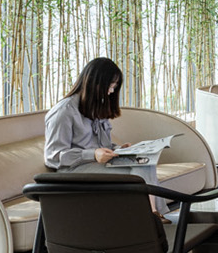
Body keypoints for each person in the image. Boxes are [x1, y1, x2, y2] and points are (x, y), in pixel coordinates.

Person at [44, 57, 162, 210]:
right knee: (137, 173)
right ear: (95, 83)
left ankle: (153, 216)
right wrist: (92, 155)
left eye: (114, 86)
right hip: (73, 172)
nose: (111, 91)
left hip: (98, 165)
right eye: (110, 86)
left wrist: (119, 150)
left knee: (144, 162)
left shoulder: (95, 107)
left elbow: (101, 146)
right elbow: (52, 157)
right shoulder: (63, 112)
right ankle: (151, 216)